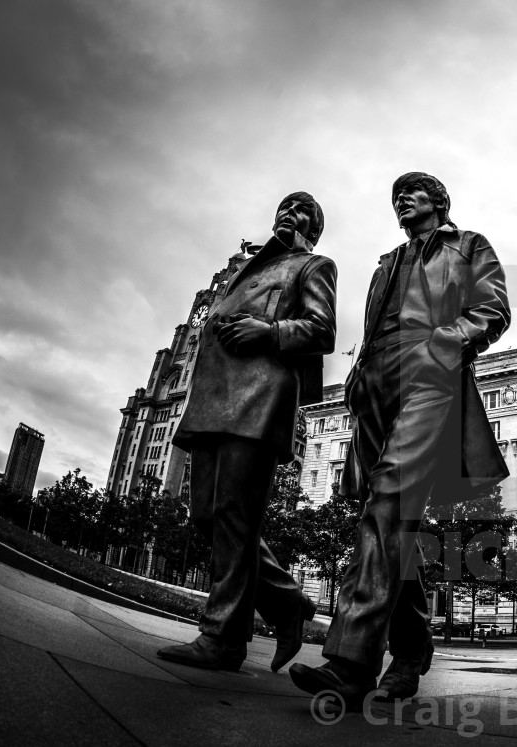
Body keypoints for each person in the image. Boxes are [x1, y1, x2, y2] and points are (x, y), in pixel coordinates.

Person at [290, 172, 510, 704]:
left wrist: (442, 345)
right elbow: (371, 328)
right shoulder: (387, 262)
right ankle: (410, 649)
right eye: (394, 197)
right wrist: (360, 374)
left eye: (410, 193)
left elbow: (493, 309)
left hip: (430, 373)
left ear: (438, 201)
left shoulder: (470, 245)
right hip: (374, 384)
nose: (400, 202)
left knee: (389, 500)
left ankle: (350, 661)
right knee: (385, 515)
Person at [158, 192, 336, 672]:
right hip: (212, 398)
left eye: (302, 211)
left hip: (258, 397)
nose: (289, 214)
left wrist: (270, 332)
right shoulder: (244, 273)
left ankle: (222, 638)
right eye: (285, 207)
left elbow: (323, 331)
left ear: (314, 229)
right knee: (205, 517)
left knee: (235, 517)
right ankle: (287, 603)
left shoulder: (314, 265)